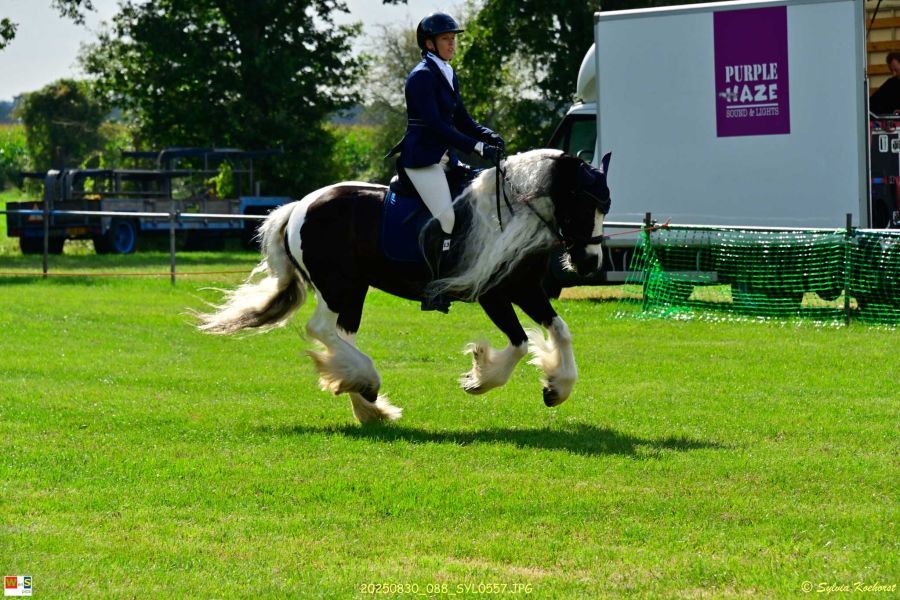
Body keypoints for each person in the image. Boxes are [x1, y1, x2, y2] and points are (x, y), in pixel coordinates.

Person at [387, 12, 504, 312]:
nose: (452, 43)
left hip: (445, 159)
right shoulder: (422, 76)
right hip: (422, 160)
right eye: (445, 39)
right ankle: (433, 287)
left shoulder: (447, 72)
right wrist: (476, 146)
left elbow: (462, 120)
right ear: (429, 43)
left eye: (453, 38)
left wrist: (489, 135)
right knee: (447, 218)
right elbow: (437, 125)